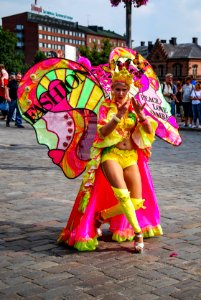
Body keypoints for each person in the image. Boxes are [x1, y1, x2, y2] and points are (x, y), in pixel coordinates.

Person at [58, 67, 162, 252]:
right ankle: (138, 233)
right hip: (111, 155)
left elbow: (148, 132)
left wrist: (140, 115)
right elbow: (103, 132)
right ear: (112, 89)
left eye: (123, 89)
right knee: (123, 196)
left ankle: (101, 216)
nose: (120, 93)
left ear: (129, 89)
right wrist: (118, 117)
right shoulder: (106, 106)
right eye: (116, 89)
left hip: (130, 157)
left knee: (137, 201)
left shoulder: (135, 106)